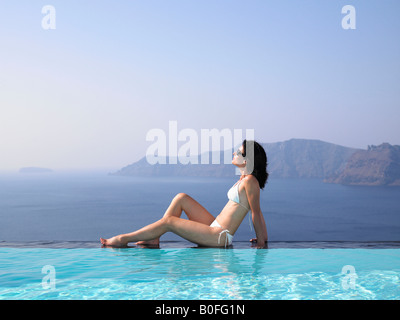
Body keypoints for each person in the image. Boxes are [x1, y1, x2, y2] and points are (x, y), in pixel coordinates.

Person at [100, 140, 269, 248]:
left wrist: (262, 240)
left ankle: (123, 239)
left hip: (220, 236)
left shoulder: (250, 182)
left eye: (239, 153)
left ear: (247, 161)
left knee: (169, 222)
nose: (234, 153)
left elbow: (256, 211)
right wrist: (263, 237)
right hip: (215, 226)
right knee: (181, 198)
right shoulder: (244, 178)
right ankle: (154, 238)